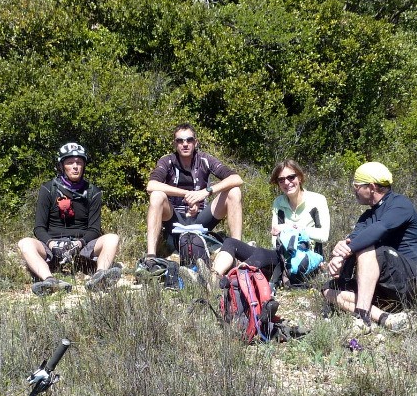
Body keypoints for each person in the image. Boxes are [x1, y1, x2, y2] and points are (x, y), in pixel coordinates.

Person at [324, 161, 417, 328]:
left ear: (371, 187)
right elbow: (353, 239)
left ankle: (361, 318)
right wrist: (339, 255)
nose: (354, 190)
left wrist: (347, 250)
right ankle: (385, 318)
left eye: (356, 186)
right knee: (328, 289)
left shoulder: (400, 204)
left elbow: (380, 229)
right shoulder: (367, 216)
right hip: (389, 287)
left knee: (370, 250)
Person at [18, 143, 122, 294]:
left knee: (112, 238)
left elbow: (94, 228)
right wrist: (52, 244)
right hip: (52, 244)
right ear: (61, 166)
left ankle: (99, 276)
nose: (75, 167)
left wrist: (79, 243)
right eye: (70, 162)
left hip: (82, 244)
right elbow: (39, 227)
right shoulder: (48, 189)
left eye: (79, 162)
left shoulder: (93, 192)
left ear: (84, 165)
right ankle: (50, 280)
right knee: (25, 243)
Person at [211, 159, 329, 284]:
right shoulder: (279, 203)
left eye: (291, 177)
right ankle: (213, 278)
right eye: (281, 180)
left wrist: (292, 228)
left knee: (261, 255)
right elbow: (275, 241)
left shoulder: (318, 200)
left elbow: (323, 235)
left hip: (307, 260)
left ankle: (233, 278)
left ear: (299, 177)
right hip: (282, 256)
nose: (287, 182)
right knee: (231, 243)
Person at [144, 123, 244, 261]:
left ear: (195, 142)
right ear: (175, 144)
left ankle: (237, 252)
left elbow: (236, 178)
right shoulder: (167, 161)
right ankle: (151, 257)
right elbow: (151, 185)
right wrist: (187, 195)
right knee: (156, 195)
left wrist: (206, 192)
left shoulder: (204, 159)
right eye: (180, 140)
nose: (185, 144)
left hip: (202, 220)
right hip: (175, 219)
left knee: (234, 192)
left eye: (189, 140)